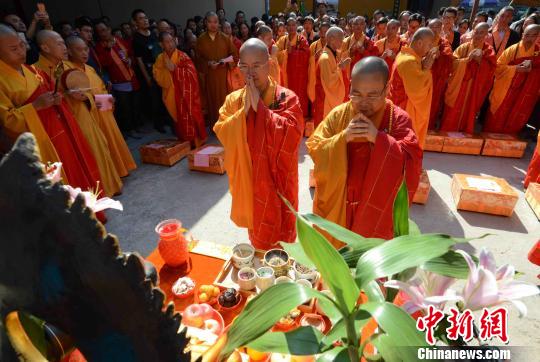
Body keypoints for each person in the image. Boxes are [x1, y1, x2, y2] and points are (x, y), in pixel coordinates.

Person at [307, 57, 422, 245]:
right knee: (336, 263)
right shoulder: (339, 114)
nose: (363, 102)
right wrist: (342, 138)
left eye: (372, 95)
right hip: (339, 207)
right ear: (350, 86)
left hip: (374, 211)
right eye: (357, 94)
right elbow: (315, 147)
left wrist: (380, 139)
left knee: (367, 262)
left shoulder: (398, 119)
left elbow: (412, 161)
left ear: (386, 89)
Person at [214, 38, 303, 250]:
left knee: (284, 237)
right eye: (244, 66)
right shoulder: (234, 100)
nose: (249, 72)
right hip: (252, 180)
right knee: (260, 234)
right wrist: (244, 111)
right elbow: (221, 130)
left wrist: (260, 110)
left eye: (256, 66)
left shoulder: (287, 98)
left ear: (269, 64)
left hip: (280, 181)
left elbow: (293, 136)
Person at [0, 25, 101, 191]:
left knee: (70, 170)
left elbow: (52, 91)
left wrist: (56, 98)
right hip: (37, 141)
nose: (21, 51)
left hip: (59, 131)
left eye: (21, 45)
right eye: (13, 48)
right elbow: (7, 121)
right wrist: (35, 106)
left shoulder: (32, 70)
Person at [65, 36, 136, 179]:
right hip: (90, 113)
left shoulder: (90, 68)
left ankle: (120, 170)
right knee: (101, 146)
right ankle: (111, 175)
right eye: (79, 50)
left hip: (103, 109)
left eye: (86, 49)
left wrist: (108, 98)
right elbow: (77, 95)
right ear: (69, 51)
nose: (84, 53)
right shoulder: (68, 70)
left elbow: (101, 88)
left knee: (113, 140)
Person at [440, 23, 496, 134]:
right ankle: (447, 133)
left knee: (469, 110)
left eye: (482, 33)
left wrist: (481, 61)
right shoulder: (463, 47)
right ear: (472, 32)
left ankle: (465, 134)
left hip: (474, 88)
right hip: (459, 85)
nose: (478, 35)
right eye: (476, 32)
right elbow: (452, 64)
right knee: (452, 112)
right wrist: (467, 60)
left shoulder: (489, 50)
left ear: (486, 34)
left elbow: (492, 70)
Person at [153, 32, 207, 147]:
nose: (170, 44)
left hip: (186, 94)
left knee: (191, 114)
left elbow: (192, 73)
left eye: (172, 41)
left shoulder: (183, 56)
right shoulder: (160, 59)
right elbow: (157, 75)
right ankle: (185, 141)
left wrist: (175, 69)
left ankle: (196, 140)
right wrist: (168, 72)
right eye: (167, 42)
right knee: (178, 119)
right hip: (172, 93)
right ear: (161, 44)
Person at [484, 24, 540, 134]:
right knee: (499, 115)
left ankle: (511, 139)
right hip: (507, 89)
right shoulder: (512, 50)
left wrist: (533, 64)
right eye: (527, 35)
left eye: (534, 36)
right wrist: (515, 69)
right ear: (522, 35)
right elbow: (498, 67)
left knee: (517, 114)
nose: (529, 38)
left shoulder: (537, 53)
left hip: (524, 91)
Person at [94, 20, 141, 139]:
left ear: (109, 29)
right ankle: (129, 129)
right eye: (99, 32)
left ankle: (136, 126)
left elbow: (131, 53)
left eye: (104, 30)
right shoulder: (99, 47)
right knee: (125, 108)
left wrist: (130, 59)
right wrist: (107, 50)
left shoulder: (119, 40)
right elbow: (103, 64)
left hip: (132, 78)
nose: (102, 33)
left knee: (135, 104)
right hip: (118, 82)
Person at [389, 28, 435, 149]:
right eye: (429, 44)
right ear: (419, 43)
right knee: (407, 142)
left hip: (399, 106)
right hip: (406, 109)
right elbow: (417, 91)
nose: (430, 48)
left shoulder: (405, 54)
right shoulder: (409, 61)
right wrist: (426, 70)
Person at [195, 12, 238, 127]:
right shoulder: (201, 40)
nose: (213, 25)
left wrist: (225, 61)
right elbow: (198, 59)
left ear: (219, 23)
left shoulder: (225, 38)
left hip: (224, 76)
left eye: (215, 22)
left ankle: (228, 125)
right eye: (210, 22)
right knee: (213, 101)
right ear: (205, 23)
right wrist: (208, 63)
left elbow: (235, 55)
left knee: (226, 100)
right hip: (210, 76)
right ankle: (217, 125)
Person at [131, 9, 166, 133]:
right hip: (148, 71)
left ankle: (165, 119)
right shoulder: (136, 39)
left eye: (145, 17)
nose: (145, 20)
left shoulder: (153, 34)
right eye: (141, 18)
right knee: (154, 98)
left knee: (163, 95)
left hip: (160, 69)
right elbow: (139, 60)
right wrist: (147, 77)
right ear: (135, 22)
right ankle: (158, 123)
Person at [312, 27, 348, 127]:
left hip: (327, 100)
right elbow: (330, 83)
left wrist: (340, 68)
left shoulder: (333, 54)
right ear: (332, 39)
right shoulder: (325, 58)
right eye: (341, 39)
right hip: (324, 102)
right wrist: (341, 69)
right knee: (325, 130)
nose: (342, 41)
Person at [276, 17, 310, 117]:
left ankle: (300, 117)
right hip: (285, 74)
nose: (291, 27)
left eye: (293, 25)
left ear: (296, 26)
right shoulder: (282, 40)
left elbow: (307, 54)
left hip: (299, 75)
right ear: (286, 27)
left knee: (299, 95)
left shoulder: (302, 39)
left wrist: (293, 53)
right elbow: (275, 54)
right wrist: (286, 52)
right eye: (289, 25)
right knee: (285, 95)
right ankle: (286, 115)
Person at [427, 19, 454, 130]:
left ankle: (429, 126)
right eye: (432, 27)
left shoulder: (444, 43)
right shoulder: (422, 39)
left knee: (432, 105)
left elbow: (449, 59)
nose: (434, 30)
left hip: (435, 80)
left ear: (441, 28)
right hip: (420, 77)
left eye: (437, 27)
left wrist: (440, 56)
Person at [307, 22, 330, 111]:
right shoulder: (314, 45)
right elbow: (307, 62)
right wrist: (314, 58)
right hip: (316, 79)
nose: (323, 34)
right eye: (322, 32)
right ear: (319, 33)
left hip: (328, 79)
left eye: (326, 32)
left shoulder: (333, 45)